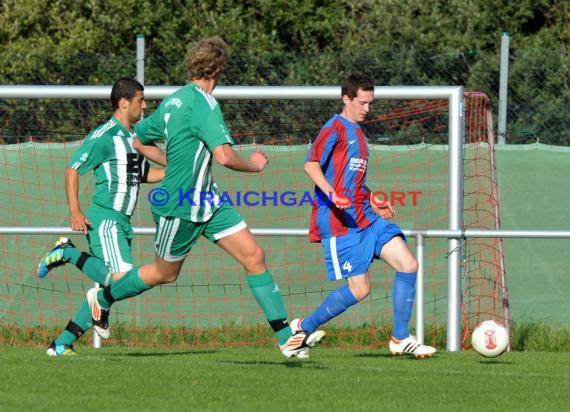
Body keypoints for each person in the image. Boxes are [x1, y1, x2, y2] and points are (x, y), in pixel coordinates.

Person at [84, 36, 325, 358]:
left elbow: (139, 138)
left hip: (209, 202)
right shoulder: (204, 103)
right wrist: (253, 166)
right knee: (164, 273)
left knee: (254, 256)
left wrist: (174, 162)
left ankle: (285, 337)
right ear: (219, 69)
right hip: (179, 205)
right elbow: (223, 156)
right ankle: (102, 299)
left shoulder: (173, 100)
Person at [293, 73, 436, 358]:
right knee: (359, 290)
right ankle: (303, 328)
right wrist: (332, 194)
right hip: (339, 222)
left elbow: (352, 180)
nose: (367, 108)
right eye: (362, 102)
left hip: (366, 218)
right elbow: (311, 165)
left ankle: (399, 337)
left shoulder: (359, 133)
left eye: (370, 103)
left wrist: (373, 198)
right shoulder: (334, 127)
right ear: (346, 99)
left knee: (408, 264)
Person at [37, 77, 166, 356]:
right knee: (122, 282)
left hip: (123, 222)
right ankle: (69, 255)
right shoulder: (104, 136)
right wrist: (75, 210)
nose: (144, 106)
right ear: (123, 102)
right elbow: (72, 169)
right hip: (105, 219)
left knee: (110, 288)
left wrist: (171, 173)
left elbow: (141, 174)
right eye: (140, 100)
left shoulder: (136, 137)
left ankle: (61, 343)